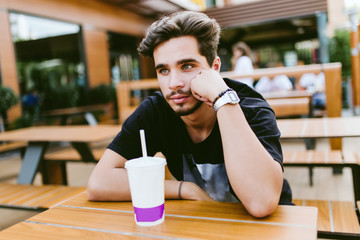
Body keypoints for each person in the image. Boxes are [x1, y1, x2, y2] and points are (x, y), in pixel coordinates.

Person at [87, 11, 292, 218]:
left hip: (268, 228)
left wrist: (223, 100)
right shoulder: (155, 111)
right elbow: (98, 183)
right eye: (163, 70)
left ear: (214, 68)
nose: (173, 83)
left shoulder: (251, 108)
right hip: (204, 222)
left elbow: (261, 203)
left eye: (187, 66)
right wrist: (184, 189)